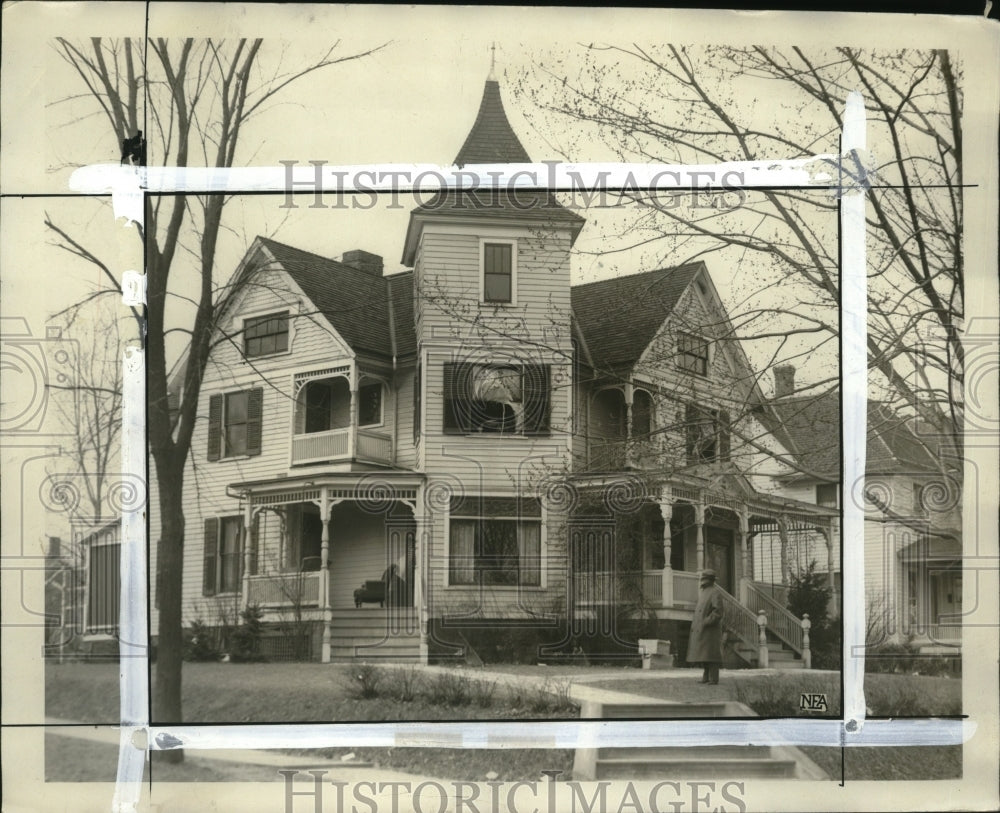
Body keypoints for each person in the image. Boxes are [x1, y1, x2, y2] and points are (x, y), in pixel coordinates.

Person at [687, 568, 723, 684]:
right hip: (703, 628)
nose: (703, 582)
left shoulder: (715, 592)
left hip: (710, 630)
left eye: (705, 579)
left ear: (710, 580)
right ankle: (706, 677)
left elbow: (717, 612)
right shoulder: (704, 592)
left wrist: (706, 622)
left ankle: (713, 678)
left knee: (711, 655)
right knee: (704, 654)